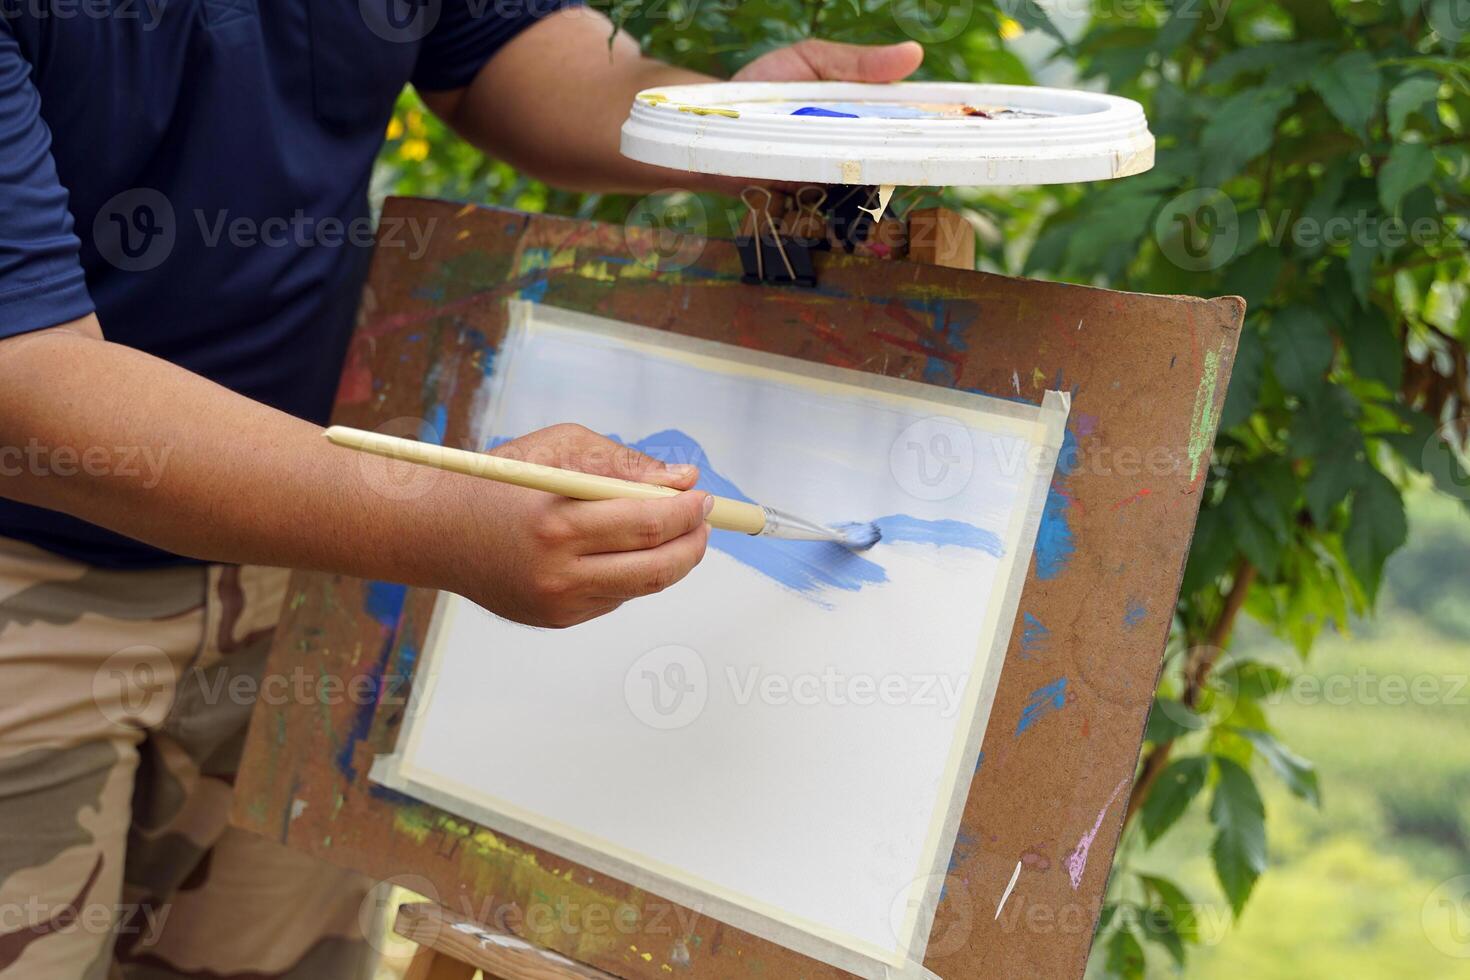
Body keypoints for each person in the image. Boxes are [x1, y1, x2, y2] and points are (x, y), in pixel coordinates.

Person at [0, 0, 923, 974]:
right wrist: (429, 517)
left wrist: (721, 123)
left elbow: (496, 50)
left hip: (303, 559)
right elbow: (25, 373)